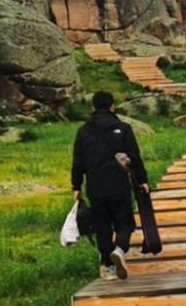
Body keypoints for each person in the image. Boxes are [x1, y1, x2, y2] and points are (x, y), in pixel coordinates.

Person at [71, 91, 149, 281]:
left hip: (95, 186)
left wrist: (76, 186)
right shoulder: (123, 128)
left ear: (93, 108)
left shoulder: (83, 131)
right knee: (125, 223)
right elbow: (134, 157)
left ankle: (108, 267)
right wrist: (143, 180)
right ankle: (120, 249)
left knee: (102, 226)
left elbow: (78, 161)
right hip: (118, 184)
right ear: (112, 106)